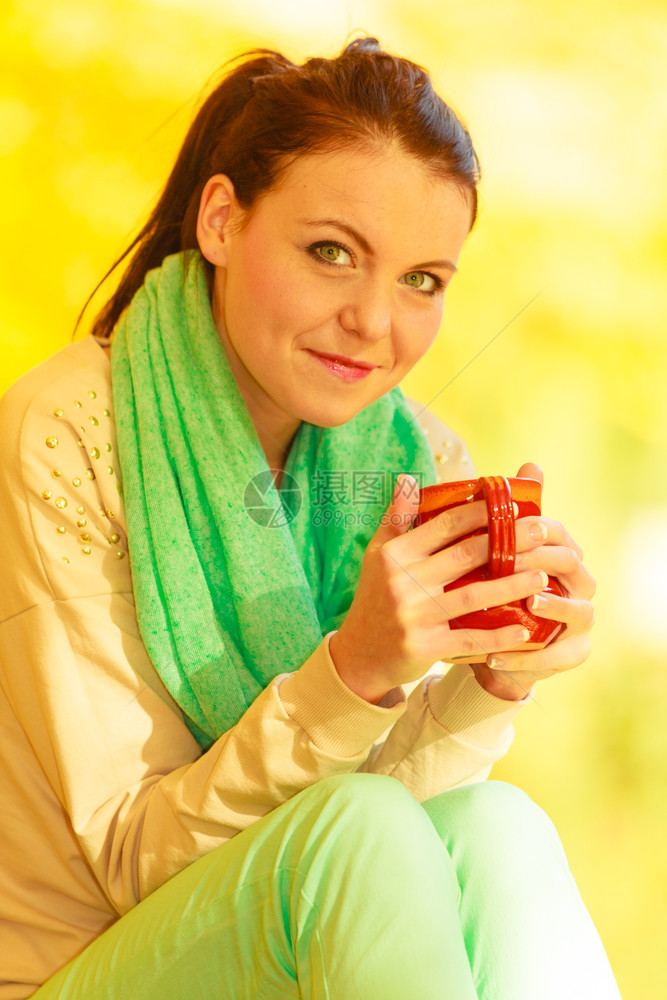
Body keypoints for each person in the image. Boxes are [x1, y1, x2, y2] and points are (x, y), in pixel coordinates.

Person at [0, 37, 621, 1000]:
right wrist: (359, 667)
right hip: (74, 974)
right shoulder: (68, 435)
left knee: (501, 829)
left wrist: (490, 681)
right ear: (220, 220)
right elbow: (136, 861)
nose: (375, 322)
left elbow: (396, 864)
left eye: (422, 280)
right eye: (332, 253)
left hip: (284, 934)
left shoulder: (412, 465)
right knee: (357, 826)